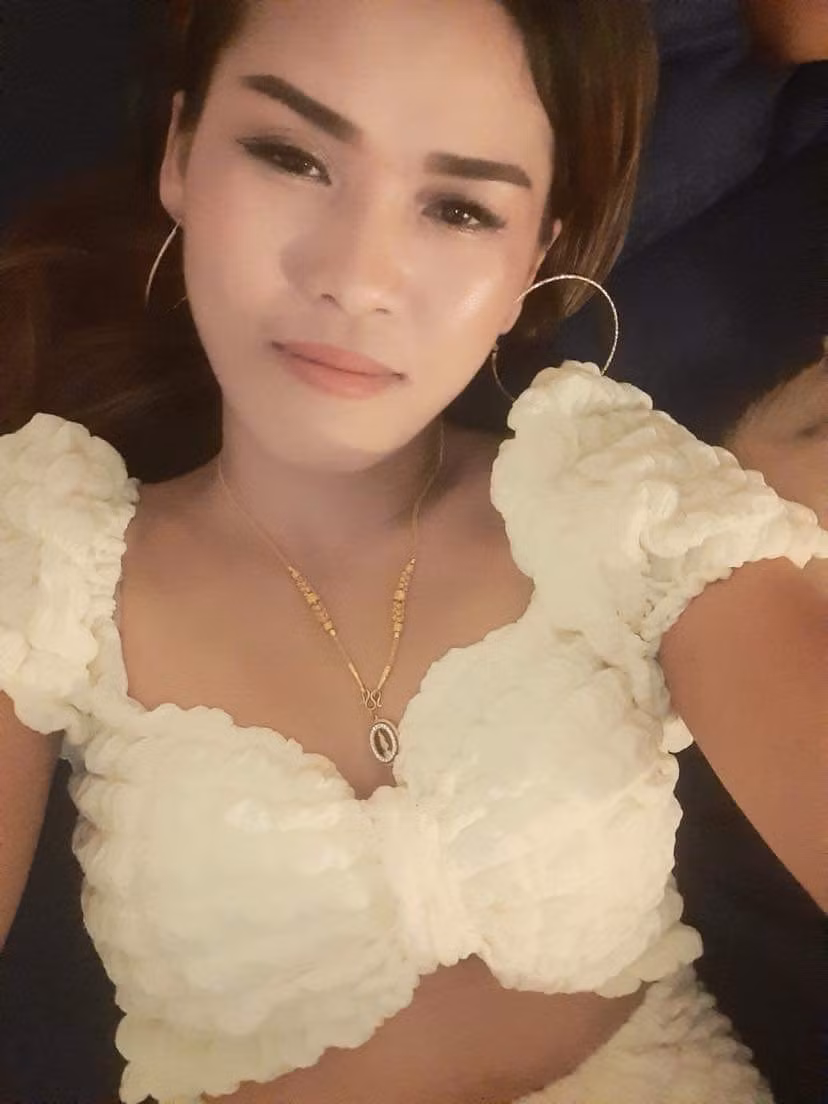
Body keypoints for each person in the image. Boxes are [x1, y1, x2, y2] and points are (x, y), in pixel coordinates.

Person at [0, 3, 826, 1103]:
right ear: (182, 154)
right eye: (291, 156)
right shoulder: (47, 550)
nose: (358, 278)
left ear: (539, 252)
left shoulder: (619, 501)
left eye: (460, 208)